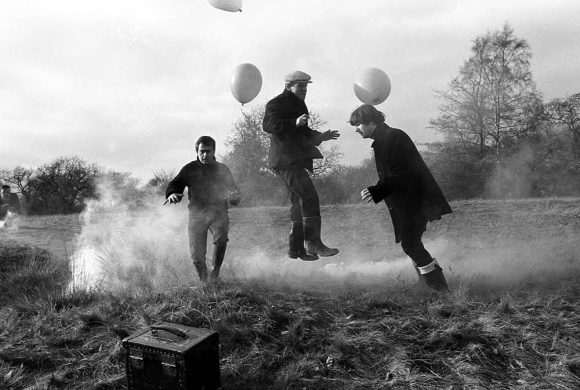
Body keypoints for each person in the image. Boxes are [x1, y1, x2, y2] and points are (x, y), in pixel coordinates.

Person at [349, 104, 452, 292]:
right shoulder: (386, 138)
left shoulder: (392, 137)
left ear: (370, 121)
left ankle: (438, 288)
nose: (356, 129)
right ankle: (428, 284)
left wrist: (377, 190)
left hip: (416, 202)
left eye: (358, 124)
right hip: (410, 202)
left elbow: (403, 172)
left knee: (411, 244)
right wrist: (378, 190)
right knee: (411, 243)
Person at [263, 70, 340, 261]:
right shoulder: (276, 103)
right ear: (289, 86)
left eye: (306, 86)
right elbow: (268, 125)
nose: (305, 89)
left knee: (298, 202)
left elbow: (303, 132)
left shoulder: (299, 104)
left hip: (292, 159)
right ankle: (313, 245)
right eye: (301, 86)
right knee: (309, 197)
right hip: (284, 160)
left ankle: (296, 250)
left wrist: (321, 137)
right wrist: (294, 122)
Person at [165, 136, 241, 283]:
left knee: (221, 240)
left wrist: (233, 196)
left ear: (214, 152)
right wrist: (172, 193)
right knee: (196, 256)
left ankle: (214, 275)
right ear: (197, 151)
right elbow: (176, 183)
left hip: (218, 213)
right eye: (201, 151)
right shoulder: (189, 168)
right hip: (196, 215)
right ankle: (204, 281)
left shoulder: (222, 169)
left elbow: (234, 192)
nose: (204, 155)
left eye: (208, 151)